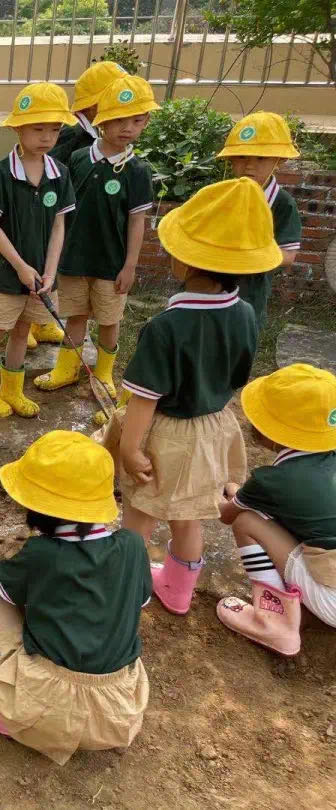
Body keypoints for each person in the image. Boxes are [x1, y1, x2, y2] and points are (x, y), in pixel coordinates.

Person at [108, 178, 280, 615]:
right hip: (214, 428)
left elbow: (145, 399)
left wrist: (129, 447)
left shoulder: (166, 326)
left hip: (168, 434)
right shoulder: (246, 314)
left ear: (184, 260)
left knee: (139, 514)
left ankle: (124, 591)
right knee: (188, 516)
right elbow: (238, 377)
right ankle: (178, 591)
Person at [0, 430, 151, 765]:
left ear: (37, 507)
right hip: (117, 710)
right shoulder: (132, 545)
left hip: (44, 707)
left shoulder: (41, 552)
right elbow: (137, 602)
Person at [35, 75, 158, 397]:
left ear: (146, 121)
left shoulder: (138, 171)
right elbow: (62, 211)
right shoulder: (78, 159)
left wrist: (129, 266)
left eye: (136, 120)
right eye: (118, 120)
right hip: (74, 259)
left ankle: (103, 374)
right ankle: (66, 368)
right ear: (100, 119)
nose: (127, 128)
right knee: (75, 316)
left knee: (108, 320)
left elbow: (137, 222)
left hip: (111, 263)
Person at [215, 363, 336, 656]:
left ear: (274, 432)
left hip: (333, 601)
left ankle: (274, 621)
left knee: (247, 521)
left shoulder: (274, 480)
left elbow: (226, 515)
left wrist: (221, 490)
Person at [0, 82, 77, 420]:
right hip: (5, 275)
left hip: (40, 278)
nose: (47, 137)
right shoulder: (1, 173)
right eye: (38, 128)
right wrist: (19, 266)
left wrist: (50, 272)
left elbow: (59, 226)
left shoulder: (60, 174)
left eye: (55, 129)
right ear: (18, 128)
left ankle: (11, 390)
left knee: (21, 332)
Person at [31, 59, 126, 350]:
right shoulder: (71, 133)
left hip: (70, 217)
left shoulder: (96, 135)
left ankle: (42, 322)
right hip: (48, 214)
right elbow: (46, 168)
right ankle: (28, 321)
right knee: (40, 265)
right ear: (96, 104)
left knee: (55, 267)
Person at [217, 111, 303, 332]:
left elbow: (288, 255)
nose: (249, 166)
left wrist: (251, 253)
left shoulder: (282, 204)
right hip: (211, 286)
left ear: (279, 160)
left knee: (240, 340)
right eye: (242, 156)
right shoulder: (220, 195)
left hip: (249, 295)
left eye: (261, 158)